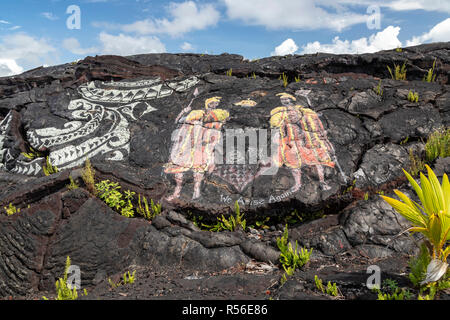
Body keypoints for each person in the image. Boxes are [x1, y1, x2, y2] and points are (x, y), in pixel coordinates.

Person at [164, 96, 230, 200]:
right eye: (211, 103)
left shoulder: (220, 114)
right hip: (189, 143)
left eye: (216, 103)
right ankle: (177, 192)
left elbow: (222, 124)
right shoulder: (197, 112)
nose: (214, 105)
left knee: (199, 168)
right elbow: (179, 121)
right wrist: (183, 111)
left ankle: (196, 192)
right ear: (206, 104)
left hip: (204, 144)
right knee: (179, 167)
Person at [269, 92, 335, 192]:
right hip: (291, 141)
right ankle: (298, 184)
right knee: (293, 164)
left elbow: (312, 115)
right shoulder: (279, 111)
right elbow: (276, 124)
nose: (285, 101)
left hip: (305, 139)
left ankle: (322, 181)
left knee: (316, 160)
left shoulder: (300, 109)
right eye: (283, 100)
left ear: (291, 100)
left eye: (287, 99)